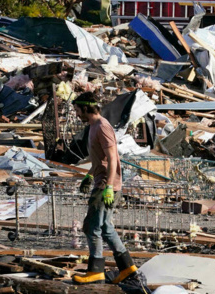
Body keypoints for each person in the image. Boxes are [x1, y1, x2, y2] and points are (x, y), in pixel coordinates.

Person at [71, 91, 138, 285]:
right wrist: (89, 175)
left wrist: (109, 187)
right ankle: (127, 268)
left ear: (86, 108)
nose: (77, 114)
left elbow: (112, 159)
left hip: (106, 185)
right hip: (101, 180)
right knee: (106, 227)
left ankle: (96, 271)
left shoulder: (102, 127)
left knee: (91, 226)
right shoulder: (93, 126)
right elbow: (99, 160)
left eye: (77, 110)